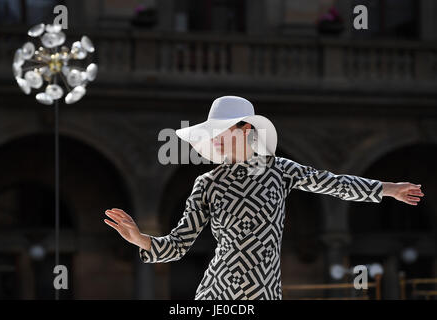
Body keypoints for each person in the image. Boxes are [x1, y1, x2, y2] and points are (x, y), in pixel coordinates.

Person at [104, 96, 424, 300]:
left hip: (263, 292)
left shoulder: (279, 170)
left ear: (245, 129)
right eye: (211, 132)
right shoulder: (208, 183)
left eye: (220, 130)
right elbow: (178, 245)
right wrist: (140, 239)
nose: (213, 138)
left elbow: (332, 183)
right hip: (216, 291)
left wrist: (386, 189)